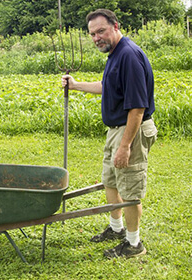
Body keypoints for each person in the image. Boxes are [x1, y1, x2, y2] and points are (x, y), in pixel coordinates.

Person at [61, 9, 157, 258]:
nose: (96, 38)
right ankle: (117, 229)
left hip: (131, 129)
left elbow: (138, 106)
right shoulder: (115, 54)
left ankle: (134, 244)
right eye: (92, 34)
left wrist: (125, 146)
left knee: (130, 189)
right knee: (111, 181)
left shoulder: (129, 55)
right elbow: (108, 87)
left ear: (116, 26)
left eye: (101, 31)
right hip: (116, 130)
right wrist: (76, 85)